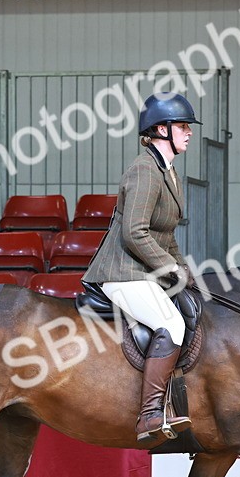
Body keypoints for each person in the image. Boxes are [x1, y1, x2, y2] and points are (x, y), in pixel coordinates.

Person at [83, 93, 201, 442]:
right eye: (182, 126)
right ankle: (149, 415)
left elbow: (164, 234)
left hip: (143, 269)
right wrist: (169, 268)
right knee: (171, 323)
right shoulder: (144, 170)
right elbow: (134, 232)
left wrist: (184, 270)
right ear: (160, 129)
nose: (188, 132)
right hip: (122, 271)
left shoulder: (168, 172)